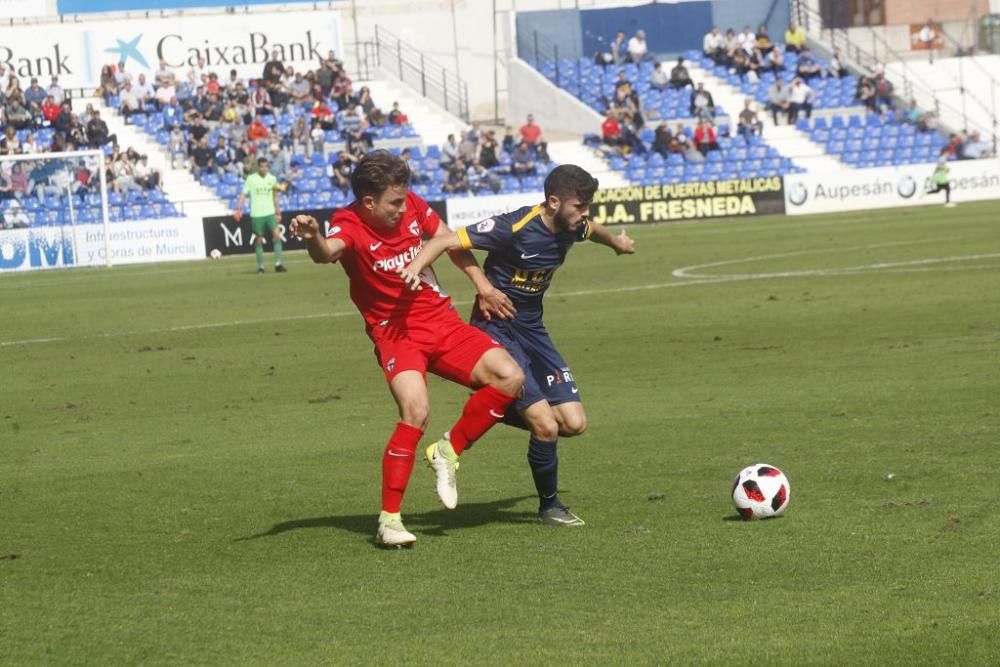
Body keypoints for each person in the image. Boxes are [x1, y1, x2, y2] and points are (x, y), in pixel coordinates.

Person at [288, 150, 525, 548]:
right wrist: (313, 236)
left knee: (510, 376)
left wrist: (483, 287)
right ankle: (390, 521)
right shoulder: (348, 223)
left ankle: (448, 450)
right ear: (368, 203)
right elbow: (328, 253)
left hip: (440, 320)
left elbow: (449, 241)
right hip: (394, 332)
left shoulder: (412, 204)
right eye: (394, 202)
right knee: (415, 411)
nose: (404, 206)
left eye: (404, 198)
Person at [399, 164, 636, 526]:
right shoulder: (513, 226)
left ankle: (494, 401)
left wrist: (617, 244)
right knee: (546, 426)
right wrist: (415, 270)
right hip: (497, 329)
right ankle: (549, 507)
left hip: (533, 330)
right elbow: (445, 241)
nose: (585, 213)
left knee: (572, 423)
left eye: (588, 205)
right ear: (554, 202)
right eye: (580, 205)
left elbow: (593, 230)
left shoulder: (573, 225)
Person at [234, 157, 285, 274]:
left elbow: (275, 194)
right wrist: (238, 208)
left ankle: (278, 264)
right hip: (257, 214)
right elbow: (243, 194)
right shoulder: (251, 179)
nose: (264, 168)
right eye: (262, 166)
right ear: (258, 167)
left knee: (277, 236)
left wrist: (278, 209)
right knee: (259, 240)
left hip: (270, 212)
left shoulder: (272, 178)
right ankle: (261, 267)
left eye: (266, 166)